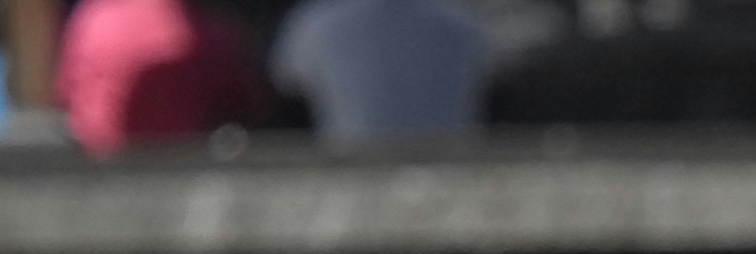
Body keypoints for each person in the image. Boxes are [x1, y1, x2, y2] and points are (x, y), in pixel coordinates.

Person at [54, 0, 267, 146]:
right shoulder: (213, 37)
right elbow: (252, 109)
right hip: (187, 179)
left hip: (96, 179)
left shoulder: (90, 19)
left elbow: (65, 98)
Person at [268, 0, 489, 140]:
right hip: (452, 177)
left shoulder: (314, 24)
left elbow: (285, 81)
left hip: (348, 177)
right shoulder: (464, 25)